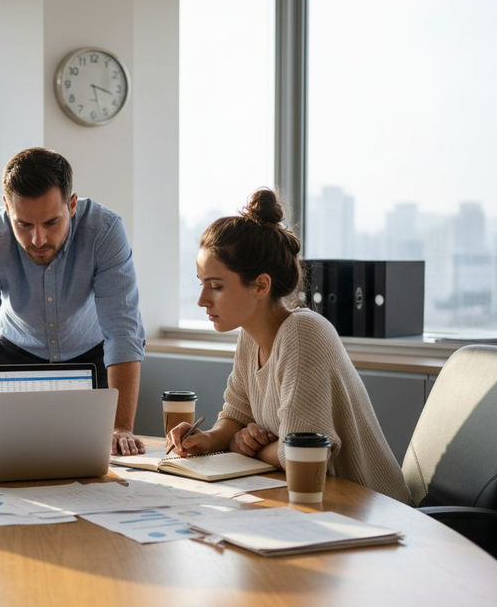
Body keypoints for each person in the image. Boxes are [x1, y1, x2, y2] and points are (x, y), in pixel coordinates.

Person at [169, 189, 411, 503]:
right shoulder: (250, 336)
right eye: (201, 283)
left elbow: (304, 454)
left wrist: (247, 446)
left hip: (371, 508)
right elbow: (236, 414)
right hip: (318, 501)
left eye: (215, 286)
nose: (202, 300)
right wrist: (210, 438)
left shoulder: (302, 333)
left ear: (260, 285)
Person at [0, 147, 147, 455]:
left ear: (72, 205)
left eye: (51, 222)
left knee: (100, 460)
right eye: (24, 225)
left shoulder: (105, 230)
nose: (38, 239)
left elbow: (123, 331)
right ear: (7, 206)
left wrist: (121, 426)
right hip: (15, 357)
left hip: (92, 359)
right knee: (8, 456)